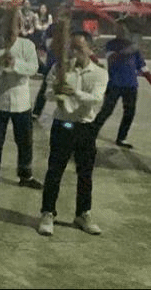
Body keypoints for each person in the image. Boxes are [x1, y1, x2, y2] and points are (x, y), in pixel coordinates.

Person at [38, 30, 108, 236]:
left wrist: (73, 92)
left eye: (79, 48)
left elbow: (96, 99)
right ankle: (48, 212)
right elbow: (47, 94)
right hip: (64, 125)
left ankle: (83, 213)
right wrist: (57, 90)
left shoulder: (100, 73)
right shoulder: (60, 68)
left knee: (85, 173)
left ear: (90, 49)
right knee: (55, 171)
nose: (74, 52)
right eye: (71, 47)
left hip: (85, 127)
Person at [0, 4, 43, 188]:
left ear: (20, 27)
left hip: (21, 102)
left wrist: (15, 64)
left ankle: (25, 175)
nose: (11, 32)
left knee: (25, 141)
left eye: (15, 27)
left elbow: (33, 68)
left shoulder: (27, 45)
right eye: (7, 27)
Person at [93, 19, 151, 149]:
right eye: (118, 28)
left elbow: (143, 67)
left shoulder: (134, 48)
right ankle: (91, 133)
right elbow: (112, 59)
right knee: (106, 111)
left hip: (131, 85)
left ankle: (121, 138)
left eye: (123, 28)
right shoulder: (111, 44)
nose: (120, 30)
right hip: (114, 84)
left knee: (129, 113)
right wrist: (127, 50)